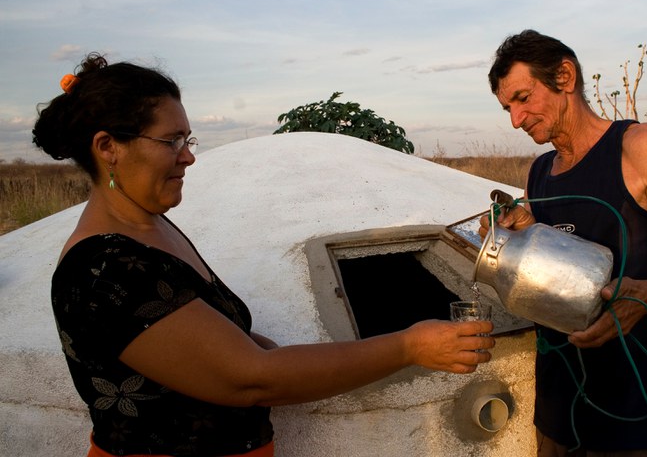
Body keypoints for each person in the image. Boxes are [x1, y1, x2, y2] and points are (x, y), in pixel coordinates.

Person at [33, 53, 495, 457]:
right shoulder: (103, 269)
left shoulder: (154, 229)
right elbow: (250, 377)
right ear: (108, 147)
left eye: (188, 141)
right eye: (171, 141)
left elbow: (245, 349)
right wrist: (409, 345)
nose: (188, 157)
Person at [480, 30, 647, 456]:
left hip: (635, 416)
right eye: (508, 108)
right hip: (558, 413)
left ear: (564, 76)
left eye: (523, 98)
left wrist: (646, 298)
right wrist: (522, 232)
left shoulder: (641, 148)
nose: (516, 120)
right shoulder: (540, 173)